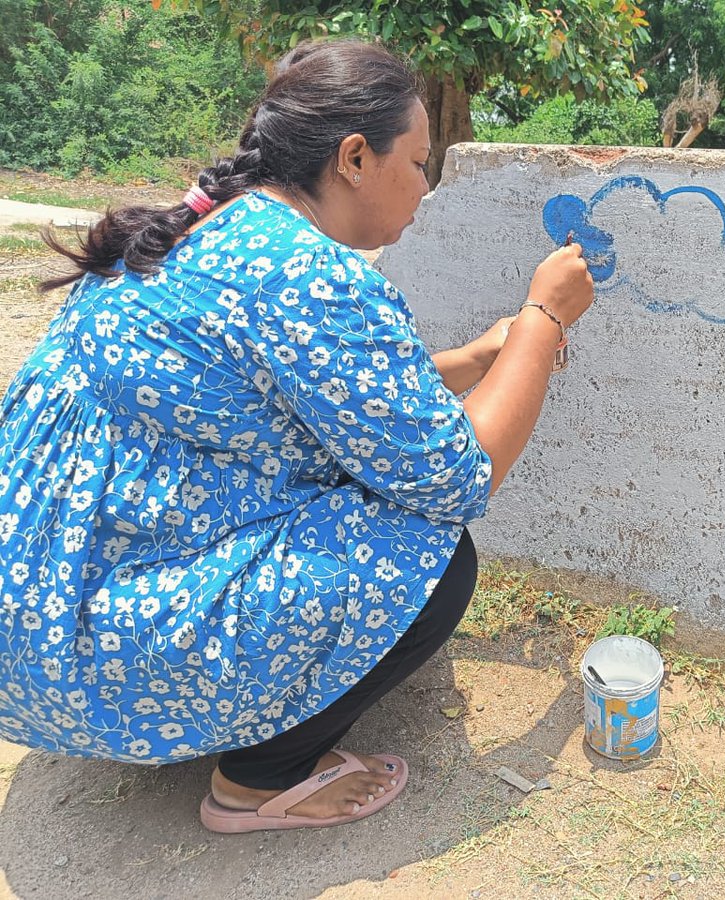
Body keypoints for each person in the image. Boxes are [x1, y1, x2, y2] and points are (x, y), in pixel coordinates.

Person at [0, 39, 594, 834]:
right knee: (434, 554)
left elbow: (327, 390)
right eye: (418, 163)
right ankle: (254, 784)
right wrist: (542, 316)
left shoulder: (214, 228)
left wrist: (477, 358)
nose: (427, 186)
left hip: (36, 623)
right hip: (90, 658)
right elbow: (461, 476)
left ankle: (180, 703)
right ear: (354, 157)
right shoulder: (314, 276)